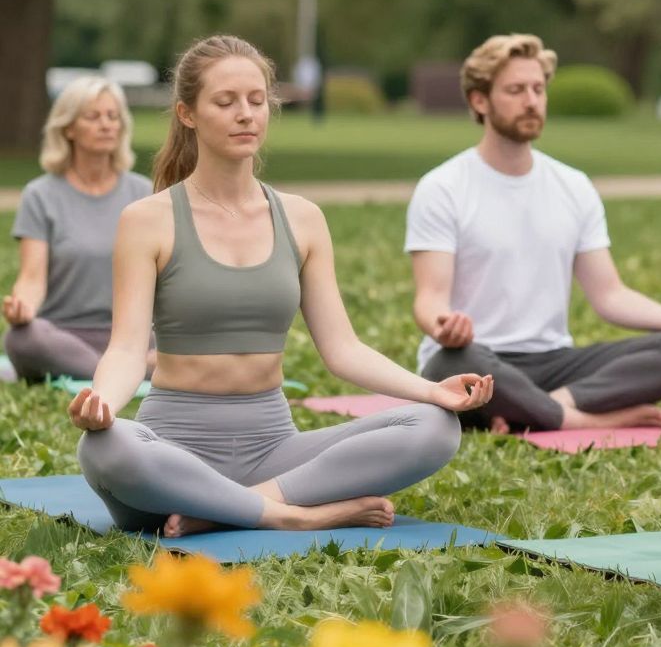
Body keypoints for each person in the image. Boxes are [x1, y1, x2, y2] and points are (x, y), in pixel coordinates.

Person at [71, 36, 487, 536]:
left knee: (435, 427)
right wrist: (103, 406)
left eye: (257, 100)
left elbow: (343, 349)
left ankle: (233, 508)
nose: (246, 114)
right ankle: (290, 517)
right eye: (225, 102)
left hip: (275, 454)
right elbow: (126, 349)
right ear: (187, 114)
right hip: (171, 458)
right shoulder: (147, 220)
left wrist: (431, 391)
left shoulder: (303, 218)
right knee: (103, 448)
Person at [406, 34, 661, 432]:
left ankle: (534, 411)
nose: (531, 101)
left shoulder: (573, 185)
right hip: (473, 359)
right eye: (515, 90)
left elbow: (610, 295)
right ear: (480, 100)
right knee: (452, 363)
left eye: (538, 89)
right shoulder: (443, 187)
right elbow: (430, 300)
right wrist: (444, 326)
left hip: (553, 363)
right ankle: (579, 420)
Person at [5, 78, 153, 381]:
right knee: (21, 338)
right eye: (93, 116)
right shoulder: (40, 195)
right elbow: (31, 279)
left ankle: (116, 369)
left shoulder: (144, 192)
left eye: (113, 117)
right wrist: (22, 307)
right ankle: (125, 374)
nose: (106, 125)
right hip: (61, 336)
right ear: (68, 128)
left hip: (131, 337)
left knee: (197, 341)